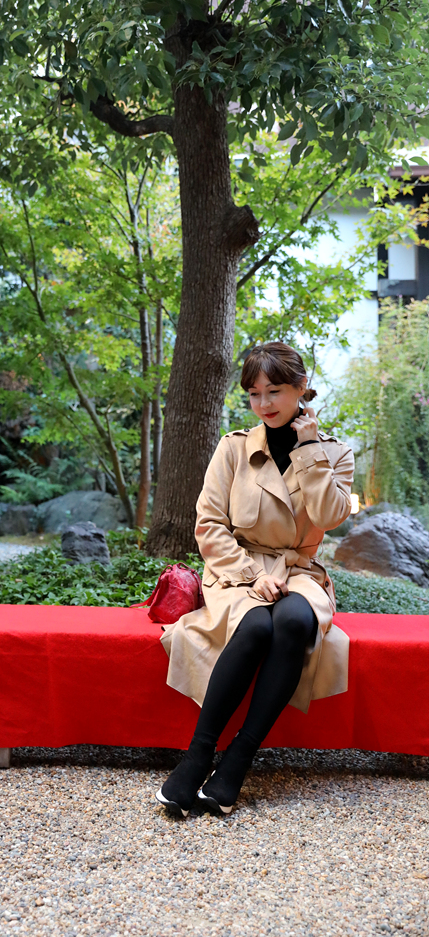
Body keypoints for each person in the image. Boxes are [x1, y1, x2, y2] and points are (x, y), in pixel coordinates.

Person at [156, 342, 354, 816]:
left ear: (302, 389)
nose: (264, 403)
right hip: (235, 568)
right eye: (254, 393)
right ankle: (197, 757)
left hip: (300, 571)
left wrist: (308, 451)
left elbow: (331, 516)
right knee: (258, 625)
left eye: (276, 391)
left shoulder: (336, 453)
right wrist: (248, 574)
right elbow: (208, 523)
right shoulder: (234, 448)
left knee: (290, 623)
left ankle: (238, 761)